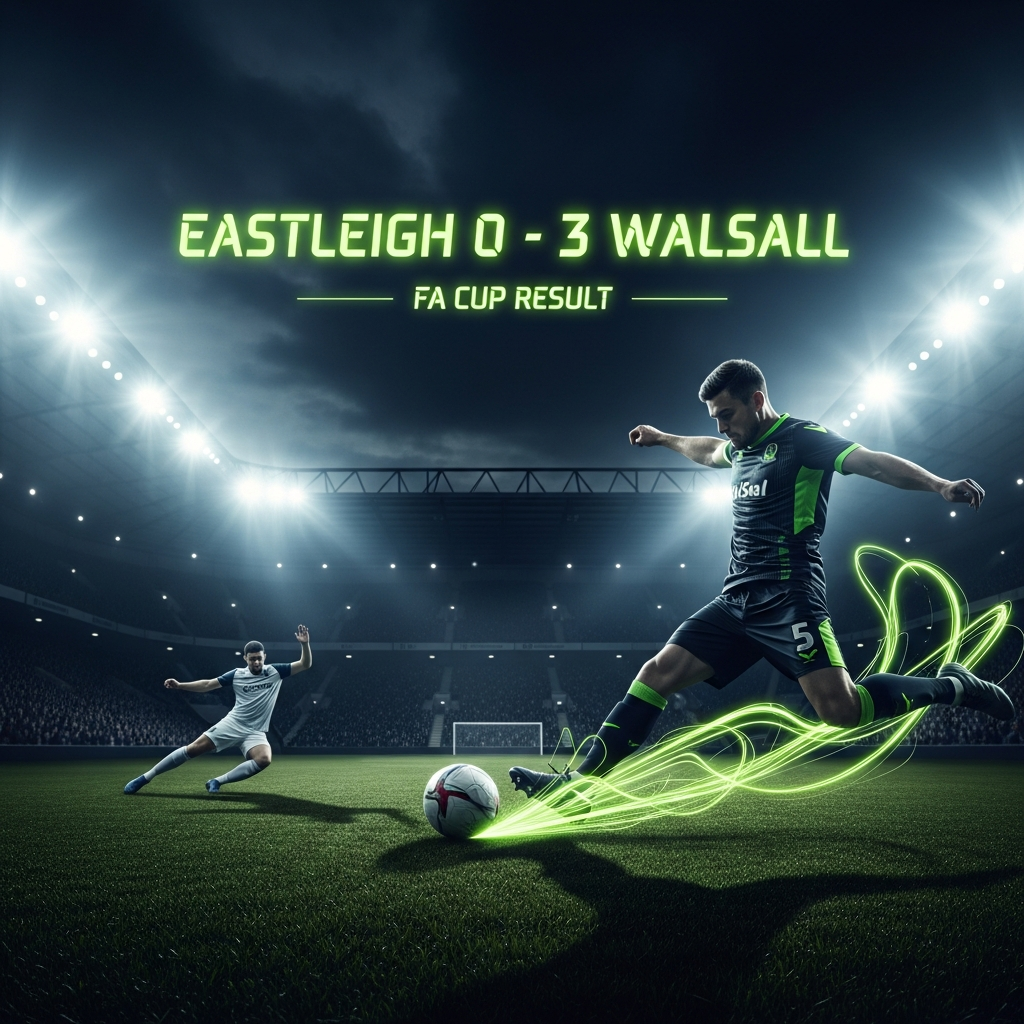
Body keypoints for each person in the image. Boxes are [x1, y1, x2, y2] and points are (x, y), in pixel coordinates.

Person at [510, 360, 1014, 797]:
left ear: (756, 400)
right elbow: (706, 450)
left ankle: (952, 687)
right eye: (716, 418)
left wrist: (940, 484)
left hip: (790, 599)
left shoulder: (803, 440)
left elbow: (872, 463)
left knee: (839, 710)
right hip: (735, 602)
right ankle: (579, 783)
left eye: (727, 414)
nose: (723, 426)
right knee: (655, 673)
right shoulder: (740, 449)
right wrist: (663, 437)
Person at [124, 626, 311, 794]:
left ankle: (216, 781)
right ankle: (145, 778)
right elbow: (207, 684)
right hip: (233, 723)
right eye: (252, 659)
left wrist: (305, 645)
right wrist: (180, 685)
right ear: (245, 658)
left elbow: (305, 664)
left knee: (264, 759)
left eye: (259, 659)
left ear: (265, 657)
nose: (256, 663)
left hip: (255, 731)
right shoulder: (237, 674)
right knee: (193, 749)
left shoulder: (275, 672)